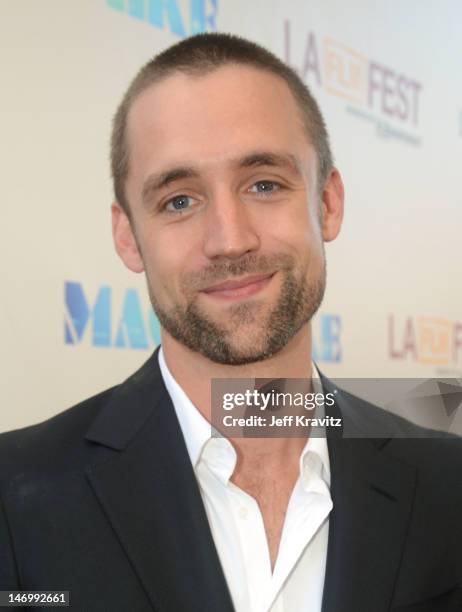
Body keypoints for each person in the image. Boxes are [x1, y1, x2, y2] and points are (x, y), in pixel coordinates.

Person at [0, 33, 461, 612]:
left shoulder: (449, 486)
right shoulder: (15, 499)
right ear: (127, 236)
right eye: (179, 200)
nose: (229, 240)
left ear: (328, 202)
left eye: (264, 184)